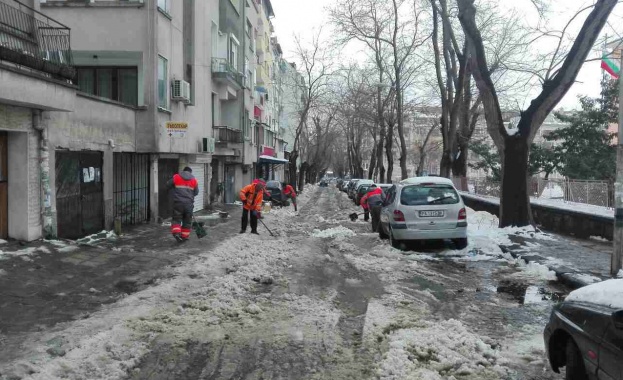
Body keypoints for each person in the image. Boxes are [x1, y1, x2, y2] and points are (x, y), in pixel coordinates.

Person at [168, 167, 199, 242]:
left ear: (183, 171)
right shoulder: (194, 180)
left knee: (177, 218)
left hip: (178, 203)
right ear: (190, 172)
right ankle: (184, 236)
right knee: (187, 220)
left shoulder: (176, 177)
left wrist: (174, 187)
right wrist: (189, 196)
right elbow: (196, 192)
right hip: (189, 204)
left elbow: (168, 184)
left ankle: (176, 233)